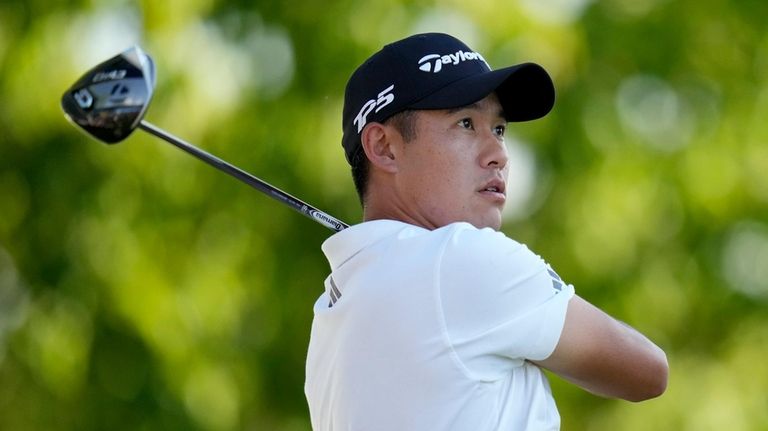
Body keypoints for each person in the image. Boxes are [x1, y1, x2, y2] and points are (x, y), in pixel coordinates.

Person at [304, 32, 668, 431]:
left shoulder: (332, 313)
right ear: (385, 147)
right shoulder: (461, 258)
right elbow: (648, 372)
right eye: (465, 123)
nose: (499, 154)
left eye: (498, 129)